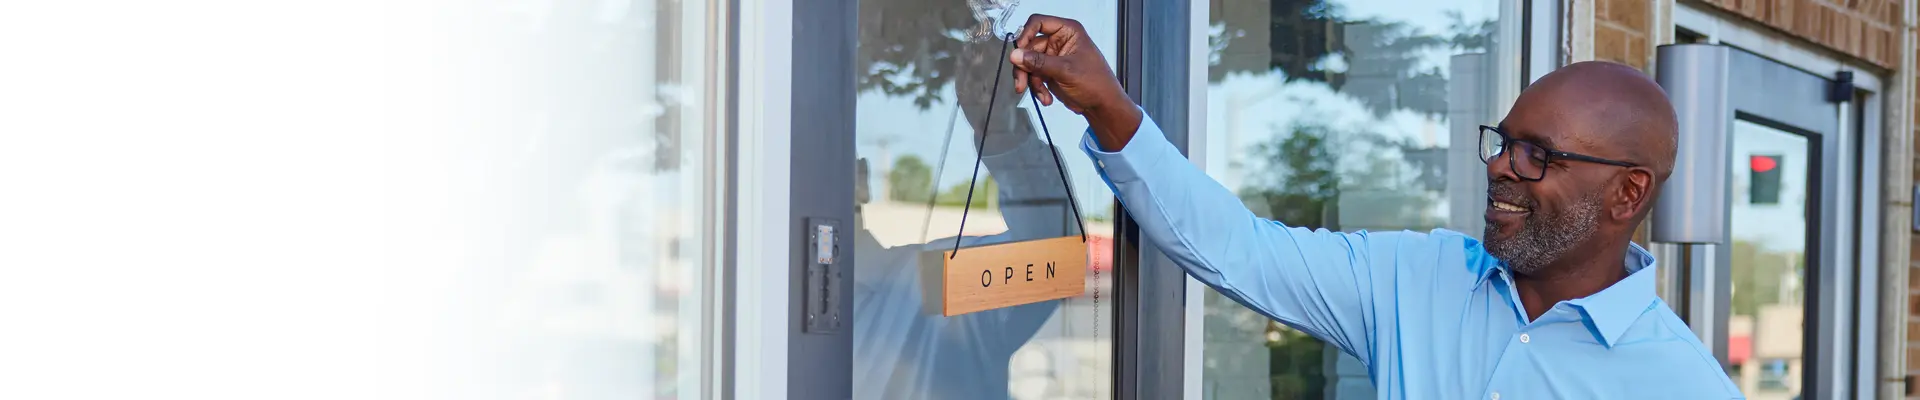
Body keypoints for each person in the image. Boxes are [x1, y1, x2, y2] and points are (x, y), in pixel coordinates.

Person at [1001, 14, 1744, 399]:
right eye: (1502, 141)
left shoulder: (1680, 384)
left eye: (1536, 155)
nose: (1499, 167)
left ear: (1629, 193)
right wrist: (1108, 109)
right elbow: (1238, 249)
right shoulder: (1415, 278)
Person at [851, 30, 1080, 399]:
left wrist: (1001, 133)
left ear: (860, 177)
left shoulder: (935, 289)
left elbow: (1052, 254)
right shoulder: (747, 308)